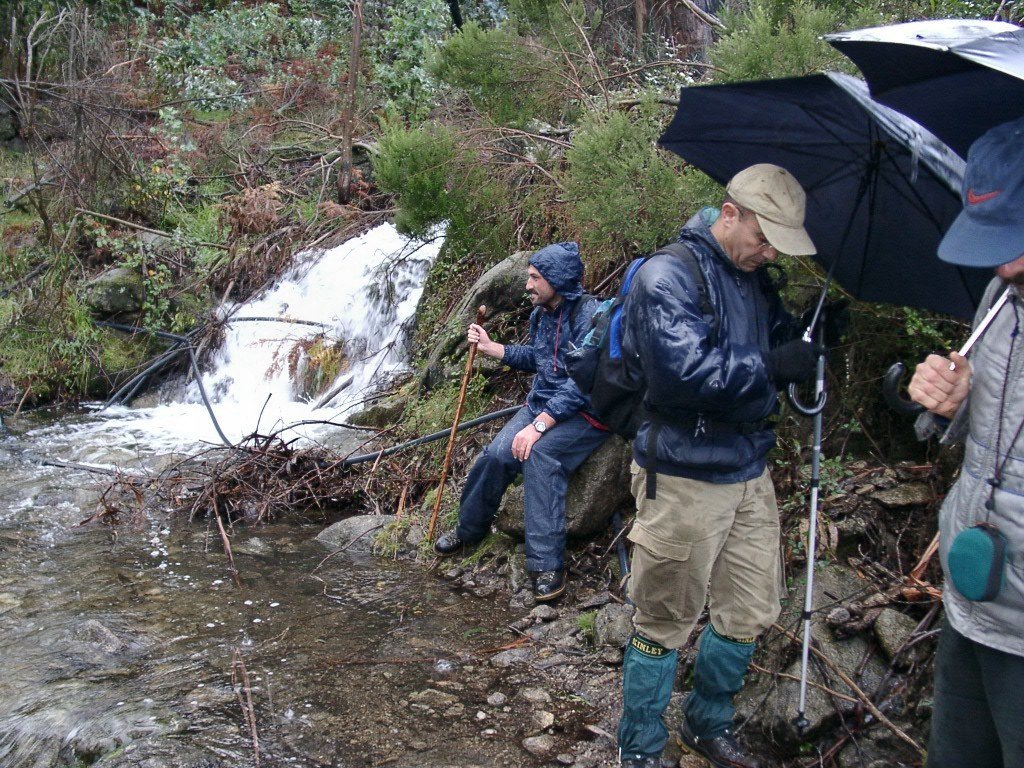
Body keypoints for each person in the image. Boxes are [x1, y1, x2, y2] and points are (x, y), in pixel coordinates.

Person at [616, 164, 823, 768]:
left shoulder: (755, 279)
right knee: (663, 619)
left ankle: (707, 723)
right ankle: (640, 747)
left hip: (748, 471)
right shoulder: (665, 277)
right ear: (730, 215)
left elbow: (770, 343)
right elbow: (680, 375)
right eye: (764, 239)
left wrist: (811, 333)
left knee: (749, 610)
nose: (769, 254)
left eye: (777, 246)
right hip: (682, 474)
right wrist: (773, 366)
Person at [906, 117, 1024, 768]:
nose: (1002, 263)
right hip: (972, 601)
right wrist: (954, 405)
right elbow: (987, 440)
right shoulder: (1001, 297)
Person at [434, 241, 610, 602]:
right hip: (542, 403)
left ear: (557, 279)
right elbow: (540, 359)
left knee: (540, 457)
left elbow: (583, 382)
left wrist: (539, 425)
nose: (527, 285)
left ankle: (547, 566)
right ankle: (469, 530)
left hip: (586, 412)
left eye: (535, 278)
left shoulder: (591, 316)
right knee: (496, 456)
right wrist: (493, 348)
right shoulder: (541, 314)